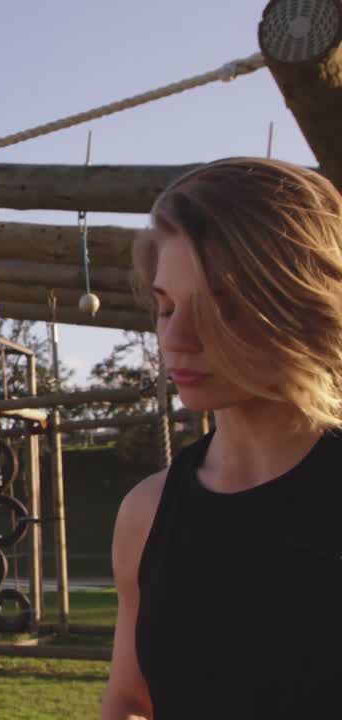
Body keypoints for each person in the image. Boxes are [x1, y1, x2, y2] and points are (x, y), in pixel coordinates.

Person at [101, 157, 342, 719]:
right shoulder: (147, 513)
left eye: (219, 308)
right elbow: (133, 701)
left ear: (302, 306)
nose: (175, 338)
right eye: (165, 307)